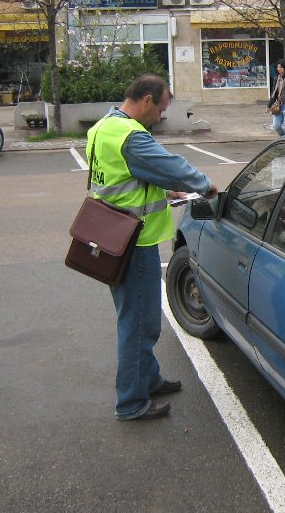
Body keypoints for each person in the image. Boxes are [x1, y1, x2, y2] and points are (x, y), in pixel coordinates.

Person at [86, 74, 218, 421]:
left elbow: (126, 178)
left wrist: (165, 191)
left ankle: (150, 378)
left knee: (134, 317)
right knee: (140, 324)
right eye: (160, 108)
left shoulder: (104, 127)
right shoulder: (131, 136)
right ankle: (131, 402)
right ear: (145, 100)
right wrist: (204, 185)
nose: (160, 116)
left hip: (112, 236)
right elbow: (167, 165)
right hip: (135, 241)